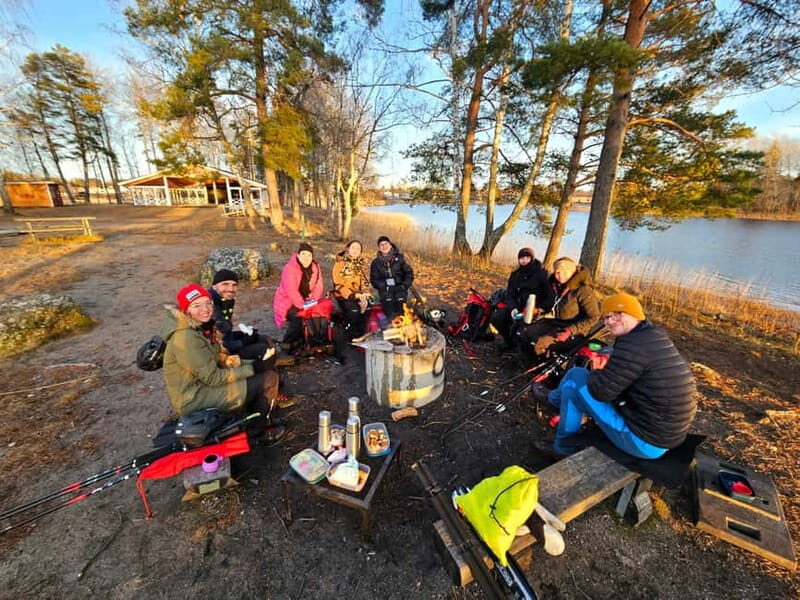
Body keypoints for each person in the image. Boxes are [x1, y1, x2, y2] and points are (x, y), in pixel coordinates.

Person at [537, 292, 697, 459]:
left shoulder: (632, 346)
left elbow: (601, 392)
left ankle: (560, 441)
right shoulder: (653, 336)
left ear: (635, 314)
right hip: (666, 433)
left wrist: (597, 372)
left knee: (575, 381)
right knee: (573, 387)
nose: (610, 321)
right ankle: (555, 407)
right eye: (606, 317)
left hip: (644, 441)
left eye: (618, 314)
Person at [161, 283, 287, 444]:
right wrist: (252, 368)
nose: (205, 309)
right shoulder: (185, 337)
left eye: (208, 303)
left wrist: (253, 363)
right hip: (193, 398)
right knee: (269, 379)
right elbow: (213, 377)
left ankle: (255, 418)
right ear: (186, 310)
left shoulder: (197, 327)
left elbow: (217, 359)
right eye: (197, 305)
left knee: (261, 371)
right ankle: (255, 433)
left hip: (202, 386)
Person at [517, 256, 600, 363]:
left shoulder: (583, 291)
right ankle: (529, 362)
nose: (558, 276)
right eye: (557, 272)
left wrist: (571, 330)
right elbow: (549, 305)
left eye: (563, 273)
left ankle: (542, 367)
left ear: (571, 272)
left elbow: (594, 317)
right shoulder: (555, 286)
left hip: (574, 330)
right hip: (555, 323)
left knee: (541, 342)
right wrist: (537, 310)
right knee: (523, 331)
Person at [490, 247, 554, 351]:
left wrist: (539, 309)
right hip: (517, 307)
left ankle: (521, 350)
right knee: (497, 318)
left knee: (522, 330)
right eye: (521, 258)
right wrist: (513, 308)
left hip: (534, 310)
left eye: (527, 258)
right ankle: (509, 342)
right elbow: (510, 294)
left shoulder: (541, 274)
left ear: (532, 258)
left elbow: (549, 297)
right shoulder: (515, 275)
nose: (524, 260)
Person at [208, 269, 277, 361]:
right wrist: (243, 342)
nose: (230, 289)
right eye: (225, 284)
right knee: (262, 349)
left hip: (225, 341)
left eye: (234, 285)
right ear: (214, 286)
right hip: (219, 353)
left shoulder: (224, 299)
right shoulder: (211, 306)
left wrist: (241, 335)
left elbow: (225, 332)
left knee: (263, 339)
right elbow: (218, 345)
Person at [273, 242, 325, 349]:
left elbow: (318, 286)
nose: (306, 258)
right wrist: (303, 305)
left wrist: (313, 301)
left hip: (307, 299)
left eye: (309, 255)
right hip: (288, 301)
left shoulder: (315, 268)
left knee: (318, 313)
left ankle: (313, 338)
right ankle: (287, 341)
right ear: (298, 255)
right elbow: (291, 291)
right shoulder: (290, 268)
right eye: (304, 254)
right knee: (299, 317)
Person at [332, 240, 371, 339]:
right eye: (353, 247)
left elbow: (365, 283)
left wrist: (365, 295)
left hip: (359, 294)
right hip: (343, 294)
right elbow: (338, 284)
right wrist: (353, 295)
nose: (355, 250)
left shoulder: (362, 265)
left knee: (369, 307)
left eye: (358, 248)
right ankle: (348, 335)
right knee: (353, 310)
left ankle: (360, 334)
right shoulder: (340, 263)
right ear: (348, 249)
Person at [370, 235, 414, 320]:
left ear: (390, 245)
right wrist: (384, 285)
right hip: (385, 289)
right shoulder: (375, 263)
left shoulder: (400, 258)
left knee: (400, 304)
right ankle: (392, 326)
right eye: (381, 245)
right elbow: (374, 280)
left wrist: (404, 285)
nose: (384, 246)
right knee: (389, 307)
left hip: (400, 287)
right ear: (379, 248)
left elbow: (409, 273)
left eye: (386, 243)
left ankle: (403, 326)